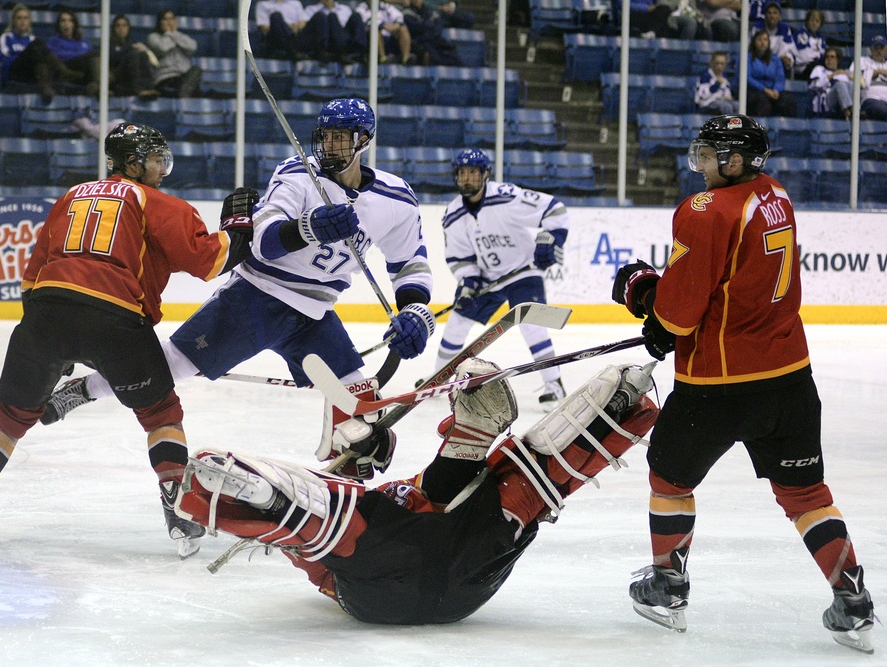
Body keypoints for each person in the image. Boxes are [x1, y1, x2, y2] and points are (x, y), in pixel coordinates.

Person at [41, 99, 434, 478]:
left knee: (360, 403)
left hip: (314, 315)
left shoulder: (395, 197)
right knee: (169, 368)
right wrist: (309, 228)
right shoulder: (298, 173)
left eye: (341, 137)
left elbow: (409, 263)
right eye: (326, 136)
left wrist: (414, 310)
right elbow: (262, 239)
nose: (330, 145)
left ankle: (345, 475)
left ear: (363, 140)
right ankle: (86, 389)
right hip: (255, 298)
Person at [611, 114, 876, 654]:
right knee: (805, 495)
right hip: (790, 380)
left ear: (736, 161)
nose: (701, 165)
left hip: (718, 383)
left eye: (710, 156)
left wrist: (645, 299)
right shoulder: (774, 194)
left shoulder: (706, 210)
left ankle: (667, 586)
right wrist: (664, 310)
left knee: (669, 475)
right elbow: (735, 280)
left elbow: (681, 314)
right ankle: (853, 601)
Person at [0, 123, 258, 560]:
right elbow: (209, 261)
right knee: (160, 412)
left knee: (9, 414)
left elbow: (32, 275)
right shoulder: (154, 200)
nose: (161, 170)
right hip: (116, 319)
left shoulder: (72, 195)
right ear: (131, 163)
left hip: (46, 314)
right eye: (153, 160)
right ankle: (179, 511)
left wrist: (51, 340)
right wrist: (240, 227)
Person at [174, 357, 660, 624]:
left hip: (383, 596)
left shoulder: (364, 512)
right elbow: (425, 492)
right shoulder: (395, 495)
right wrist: (370, 447)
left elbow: (331, 544)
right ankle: (618, 406)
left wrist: (362, 453)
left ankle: (270, 502)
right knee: (520, 486)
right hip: (469, 582)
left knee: (344, 526)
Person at [434, 148, 571, 408]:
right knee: (458, 321)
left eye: (473, 172)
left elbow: (555, 210)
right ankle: (438, 379)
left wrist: (550, 238)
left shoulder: (507, 197)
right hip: (488, 277)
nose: (466, 178)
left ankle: (554, 383)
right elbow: (458, 258)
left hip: (523, 270)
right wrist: (469, 279)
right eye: (462, 173)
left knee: (530, 322)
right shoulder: (453, 215)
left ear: (485, 174)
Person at [0, 3, 85, 102]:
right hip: (14, 73)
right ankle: (63, 71)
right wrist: (26, 56)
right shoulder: (6, 37)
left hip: (30, 74)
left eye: (25, 18)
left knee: (39, 53)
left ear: (29, 21)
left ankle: (46, 87)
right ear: (14, 21)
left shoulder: (31, 39)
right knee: (37, 45)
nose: (22, 21)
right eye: (19, 18)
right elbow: (5, 61)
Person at [147, 9, 202, 98]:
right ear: (160, 22)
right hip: (166, 80)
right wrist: (168, 33)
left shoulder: (180, 36)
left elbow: (193, 47)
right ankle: (183, 95)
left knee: (196, 70)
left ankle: (183, 93)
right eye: (165, 19)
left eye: (171, 19)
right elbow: (163, 48)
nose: (169, 22)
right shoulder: (153, 37)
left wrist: (174, 34)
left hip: (184, 79)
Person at [46, 10, 101, 97]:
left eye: (69, 20)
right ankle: (101, 88)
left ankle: (95, 86)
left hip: (84, 73)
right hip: (67, 70)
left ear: (74, 24)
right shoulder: (54, 41)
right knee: (94, 55)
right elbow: (56, 56)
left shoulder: (84, 42)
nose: (66, 23)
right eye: (63, 20)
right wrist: (81, 55)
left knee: (98, 57)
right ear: (59, 24)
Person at [746, 30, 797, 117]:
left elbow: (780, 78)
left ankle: (785, 128)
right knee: (762, 102)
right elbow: (747, 77)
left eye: (765, 40)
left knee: (788, 101)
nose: (763, 42)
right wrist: (764, 90)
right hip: (754, 91)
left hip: (772, 91)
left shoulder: (775, 59)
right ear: (754, 42)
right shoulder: (746, 57)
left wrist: (776, 90)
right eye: (759, 40)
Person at [109, 14, 159, 100]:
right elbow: (113, 60)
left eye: (124, 25)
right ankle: (138, 89)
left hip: (131, 77)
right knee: (134, 54)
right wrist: (129, 48)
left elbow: (154, 62)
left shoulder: (132, 43)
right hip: (117, 75)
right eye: (118, 26)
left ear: (128, 28)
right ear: (113, 28)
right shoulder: (109, 44)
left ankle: (149, 88)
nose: (121, 28)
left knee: (142, 54)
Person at [298, 0, 365, 64]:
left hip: (342, 39)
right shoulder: (311, 9)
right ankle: (326, 52)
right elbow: (303, 28)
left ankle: (360, 52)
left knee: (356, 16)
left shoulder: (345, 9)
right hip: (323, 42)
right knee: (328, 16)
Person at [353, 0, 415, 65]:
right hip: (372, 41)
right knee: (375, 29)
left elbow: (399, 17)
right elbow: (369, 22)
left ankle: (405, 59)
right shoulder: (360, 8)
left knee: (403, 28)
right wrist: (383, 26)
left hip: (390, 37)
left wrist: (395, 25)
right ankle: (383, 58)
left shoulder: (385, 6)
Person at [752, 0, 794, 75]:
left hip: (777, 63)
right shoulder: (757, 28)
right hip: (760, 60)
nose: (772, 16)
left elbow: (788, 49)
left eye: (775, 13)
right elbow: (752, 48)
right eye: (769, 13)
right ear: (765, 15)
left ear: (780, 16)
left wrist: (788, 58)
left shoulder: (785, 29)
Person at [809, 47, 852, 119]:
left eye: (832, 57)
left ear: (838, 60)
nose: (829, 59)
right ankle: (849, 111)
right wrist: (833, 75)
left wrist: (848, 75)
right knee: (840, 84)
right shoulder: (819, 69)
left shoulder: (843, 73)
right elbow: (816, 85)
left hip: (840, 102)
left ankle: (851, 111)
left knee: (851, 84)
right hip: (826, 101)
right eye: (827, 57)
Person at [853, 35, 887, 122]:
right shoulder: (861, 61)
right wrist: (873, 73)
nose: (879, 51)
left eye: (881, 48)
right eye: (876, 48)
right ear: (871, 49)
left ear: (886, 49)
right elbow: (852, 77)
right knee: (879, 108)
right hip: (871, 100)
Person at [695, 51, 736, 116]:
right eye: (717, 63)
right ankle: (729, 125)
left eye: (722, 64)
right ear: (712, 63)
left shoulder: (724, 76)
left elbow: (727, 93)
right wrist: (717, 84)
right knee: (726, 107)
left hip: (721, 101)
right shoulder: (705, 76)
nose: (719, 66)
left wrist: (728, 97)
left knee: (738, 105)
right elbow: (703, 96)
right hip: (707, 104)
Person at [791, 9, 827, 80]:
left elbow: (824, 55)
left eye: (817, 21)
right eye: (812, 20)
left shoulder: (820, 38)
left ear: (820, 24)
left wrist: (815, 55)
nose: (814, 23)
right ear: (807, 21)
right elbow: (803, 56)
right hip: (802, 68)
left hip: (816, 66)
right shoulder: (801, 33)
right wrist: (817, 55)